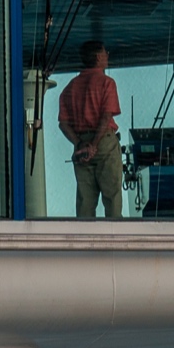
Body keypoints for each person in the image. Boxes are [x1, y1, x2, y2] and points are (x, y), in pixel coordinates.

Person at [57, 40, 123, 218]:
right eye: (105, 52)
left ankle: (84, 240)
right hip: (104, 143)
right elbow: (106, 116)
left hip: (81, 146)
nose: (107, 55)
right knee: (112, 197)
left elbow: (63, 123)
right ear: (98, 57)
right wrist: (95, 144)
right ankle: (115, 237)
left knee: (85, 201)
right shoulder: (107, 83)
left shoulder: (70, 87)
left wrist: (80, 143)